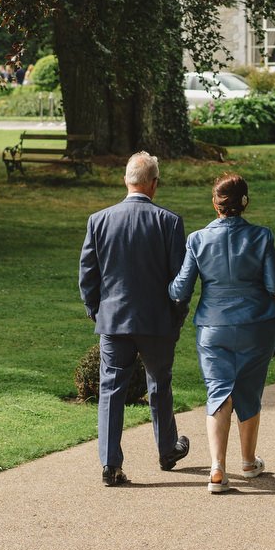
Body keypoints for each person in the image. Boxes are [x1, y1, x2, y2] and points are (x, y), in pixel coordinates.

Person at [78, 152, 191, 486]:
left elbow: (88, 274)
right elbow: (180, 280)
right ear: (154, 183)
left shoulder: (99, 220)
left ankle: (110, 463)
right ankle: (167, 449)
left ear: (127, 180)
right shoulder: (169, 221)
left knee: (110, 390)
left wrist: (96, 310)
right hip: (157, 321)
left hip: (114, 320)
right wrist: (176, 316)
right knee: (160, 385)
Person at [169, 173, 275, 494]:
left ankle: (217, 470)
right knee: (249, 391)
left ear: (214, 203)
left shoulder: (197, 240)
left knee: (218, 391)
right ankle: (248, 463)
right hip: (256, 326)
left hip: (212, 328)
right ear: (245, 202)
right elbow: (274, 284)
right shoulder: (262, 237)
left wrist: (160, 286)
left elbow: (180, 289)